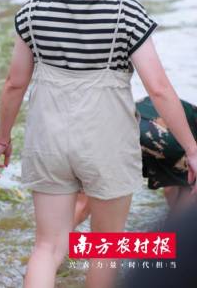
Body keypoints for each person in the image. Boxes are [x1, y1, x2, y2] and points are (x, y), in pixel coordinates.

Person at [0, 0, 197, 288]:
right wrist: (192, 148)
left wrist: (2, 139)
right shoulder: (127, 13)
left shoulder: (33, 10)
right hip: (106, 142)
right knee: (106, 247)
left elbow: (13, 85)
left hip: (48, 139)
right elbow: (161, 88)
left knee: (48, 246)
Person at [74, 96, 197, 226]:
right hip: (162, 138)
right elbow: (171, 187)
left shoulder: (175, 105)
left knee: (82, 204)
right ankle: (177, 234)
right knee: (186, 200)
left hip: (114, 125)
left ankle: (57, 244)